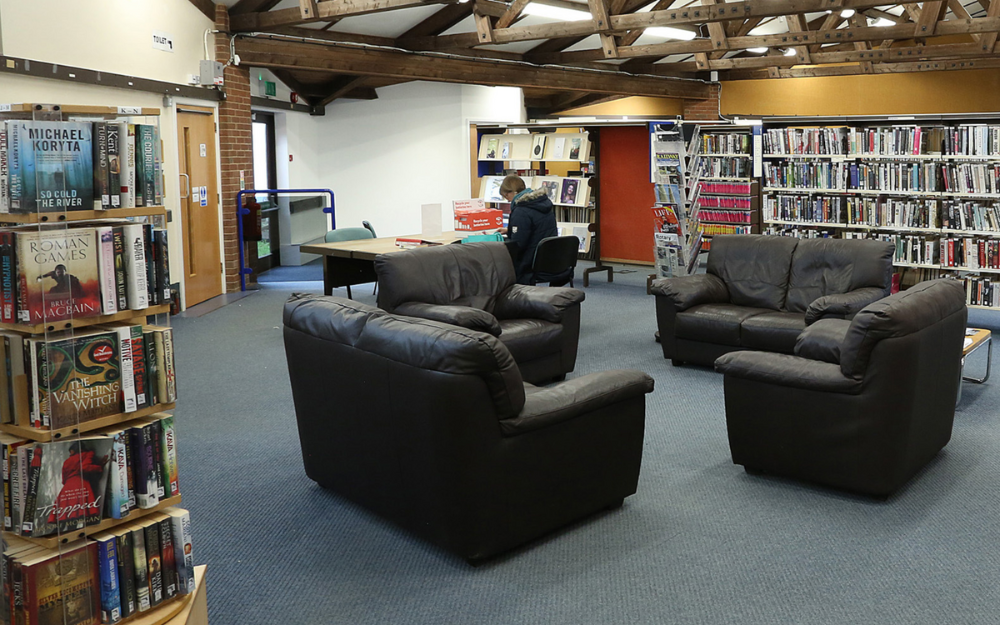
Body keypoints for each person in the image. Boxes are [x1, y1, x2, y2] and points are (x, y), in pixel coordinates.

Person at [499, 175, 560, 285]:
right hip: (551, 259)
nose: (507, 199)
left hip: (530, 262)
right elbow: (537, 229)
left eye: (506, 195)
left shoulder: (521, 210)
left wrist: (499, 246)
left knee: (497, 263)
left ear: (512, 192)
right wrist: (510, 230)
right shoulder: (543, 203)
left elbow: (518, 244)